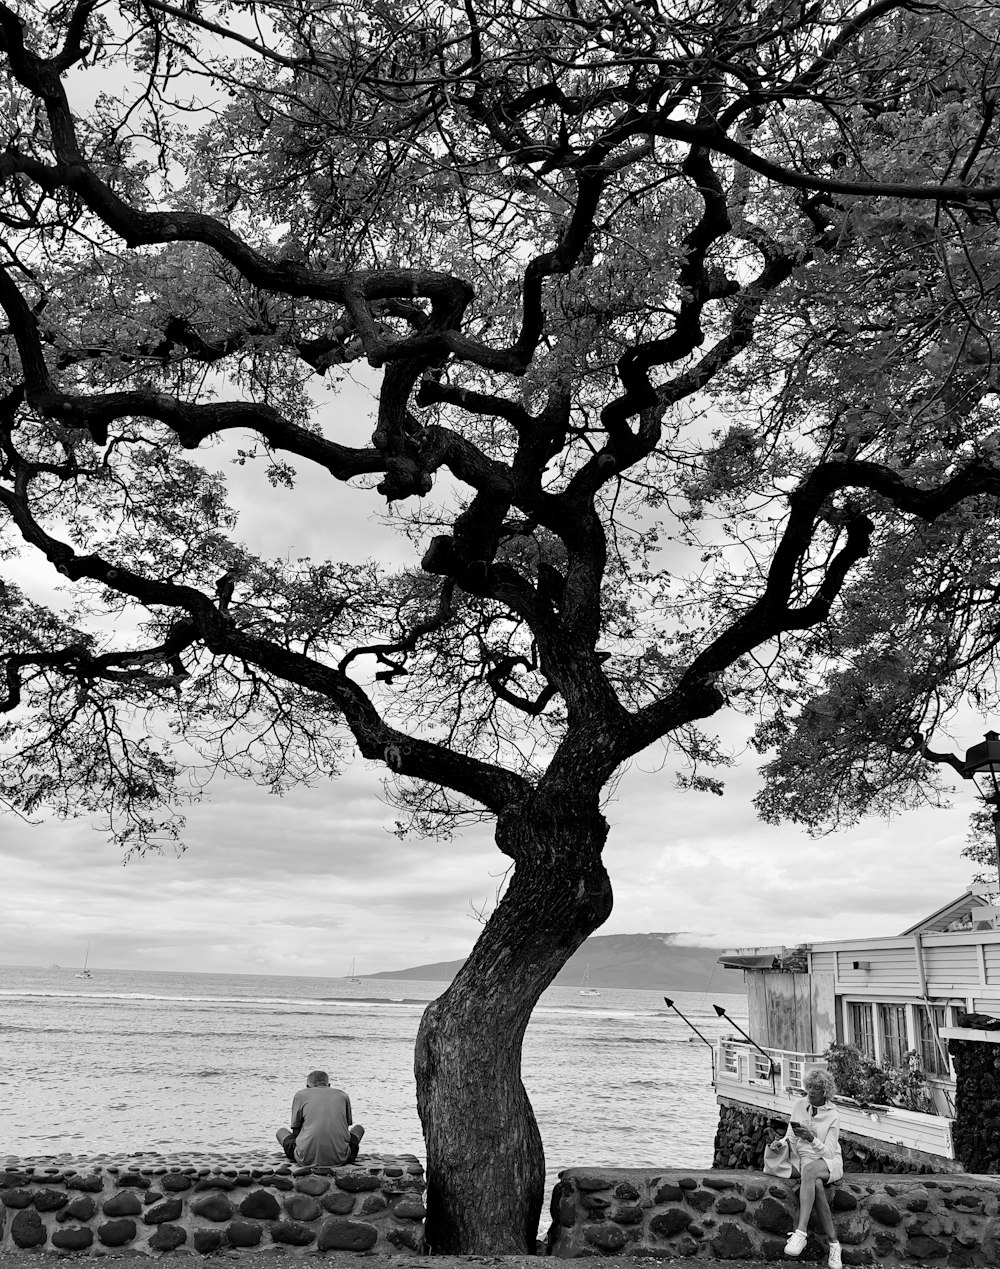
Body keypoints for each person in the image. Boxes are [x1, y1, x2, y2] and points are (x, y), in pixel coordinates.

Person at [770, 1067, 843, 1269]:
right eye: (809, 1086)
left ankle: (800, 1232)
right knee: (816, 1185)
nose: (811, 1091)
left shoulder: (833, 1115)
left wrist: (811, 1139)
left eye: (816, 1088)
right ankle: (835, 1244)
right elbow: (790, 1136)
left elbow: (828, 1152)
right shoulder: (799, 1105)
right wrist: (781, 1143)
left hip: (828, 1162)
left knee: (810, 1172)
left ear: (825, 1091)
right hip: (805, 1160)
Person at [275, 1070, 365, 1166]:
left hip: (305, 1159)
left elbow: (296, 1131)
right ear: (328, 1085)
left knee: (281, 1132)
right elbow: (345, 1129)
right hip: (341, 1158)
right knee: (359, 1128)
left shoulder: (300, 1095)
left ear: (307, 1087)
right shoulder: (343, 1095)